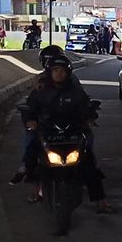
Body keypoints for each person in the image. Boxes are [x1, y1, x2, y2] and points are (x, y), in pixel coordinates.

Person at [10, 55, 112, 213]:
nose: (59, 74)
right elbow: (30, 109)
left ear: (68, 72)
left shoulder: (76, 91)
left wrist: (90, 117)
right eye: (55, 70)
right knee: (32, 155)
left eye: (62, 70)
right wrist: (30, 120)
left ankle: (101, 202)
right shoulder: (41, 91)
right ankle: (34, 188)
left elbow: (86, 107)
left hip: (72, 133)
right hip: (48, 132)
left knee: (89, 163)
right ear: (49, 72)